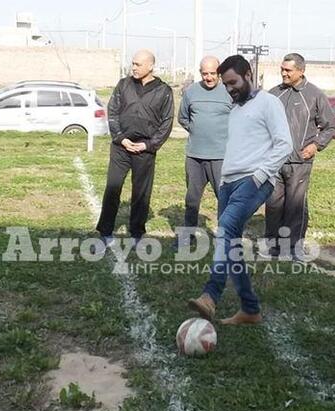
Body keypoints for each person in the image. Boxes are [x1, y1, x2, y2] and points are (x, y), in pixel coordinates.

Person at [188, 55, 292, 325]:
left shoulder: (269, 103)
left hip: (254, 181)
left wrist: (259, 176)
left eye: (233, 82)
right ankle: (250, 309)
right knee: (230, 243)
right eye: (226, 84)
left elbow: (284, 144)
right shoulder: (234, 111)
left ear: (248, 74)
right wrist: (223, 182)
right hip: (229, 183)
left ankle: (211, 295)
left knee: (225, 228)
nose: (229, 88)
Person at [96, 49, 174, 247]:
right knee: (113, 187)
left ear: (151, 66)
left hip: (145, 149)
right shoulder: (124, 84)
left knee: (141, 192)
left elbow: (166, 123)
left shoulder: (164, 91)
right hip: (121, 147)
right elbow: (112, 111)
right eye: (133, 64)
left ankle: (137, 232)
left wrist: (149, 144)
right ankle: (105, 230)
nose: (134, 68)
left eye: (138, 64)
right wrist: (120, 138)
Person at [263, 53, 335, 259]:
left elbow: (330, 126)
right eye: (282, 69)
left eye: (288, 70)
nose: (283, 73)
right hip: (274, 162)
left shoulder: (314, 95)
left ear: (301, 71)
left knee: (295, 205)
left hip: (300, 161)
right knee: (273, 204)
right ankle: (273, 247)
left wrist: (316, 145)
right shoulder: (273, 94)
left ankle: (293, 247)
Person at [176, 56, 232, 249]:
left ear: (220, 73)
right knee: (192, 199)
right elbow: (183, 118)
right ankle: (187, 236)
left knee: (224, 199)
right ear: (200, 73)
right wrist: (197, 130)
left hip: (221, 157)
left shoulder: (229, 92)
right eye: (204, 73)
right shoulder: (191, 92)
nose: (208, 77)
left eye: (212, 73)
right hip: (195, 156)